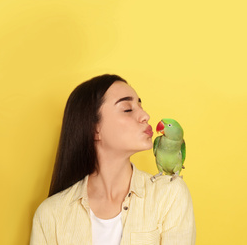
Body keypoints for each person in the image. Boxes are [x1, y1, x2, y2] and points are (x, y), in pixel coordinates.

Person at [30, 74, 196, 245]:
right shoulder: (50, 214)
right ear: (95, 130)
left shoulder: (170, 194)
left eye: (140, 106)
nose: (145, 115)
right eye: (127, 109)